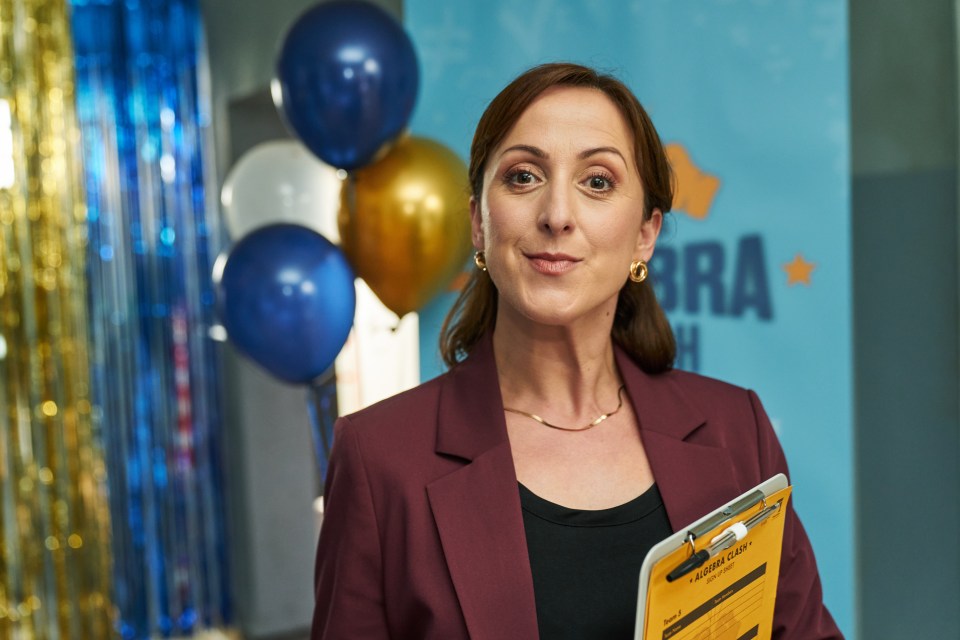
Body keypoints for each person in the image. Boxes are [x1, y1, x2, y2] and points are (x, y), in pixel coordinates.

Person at [311, 62, 843, 640]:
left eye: (597, 182)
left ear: (646, 233)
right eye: (522, 177)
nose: (557, 216)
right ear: (478, 223)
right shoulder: (379, 458)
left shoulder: (735, 430)